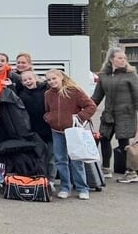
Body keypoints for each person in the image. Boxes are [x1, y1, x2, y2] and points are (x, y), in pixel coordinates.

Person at [44, 69, 97, 199]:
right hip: (57, 131)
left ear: (61, 77)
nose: (52, 82)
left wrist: (79, 117)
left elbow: (91, 106)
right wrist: (48, 118)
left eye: (54, 78)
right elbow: (47, 110)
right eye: (49, 80)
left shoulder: (74, 91)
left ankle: (82, 188)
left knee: (76, 160)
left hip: (73, 131)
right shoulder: (48, 94)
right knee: (60, 160)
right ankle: (64, 187)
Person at [92, 47, 138, 182]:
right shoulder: (103, 76)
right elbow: (96, 97)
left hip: (125, 114)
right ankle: (105, 168)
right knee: (104, 139)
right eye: (120, 58)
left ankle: (131, 172)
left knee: (124, 142)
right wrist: (85, 110)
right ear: (111, 59)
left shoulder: (131, 75)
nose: (123, 60)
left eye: (124, 58)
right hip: (108, 114)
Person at [18, 70, 55, 182]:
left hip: (49, 128)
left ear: (36, 79)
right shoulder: (22, 95)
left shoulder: (46, 91)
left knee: (51, 156)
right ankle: (40, 178)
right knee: (38, 156)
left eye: (30, 79)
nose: (28, 81)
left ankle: (51, 179)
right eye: (25, 80)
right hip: (34, 130)